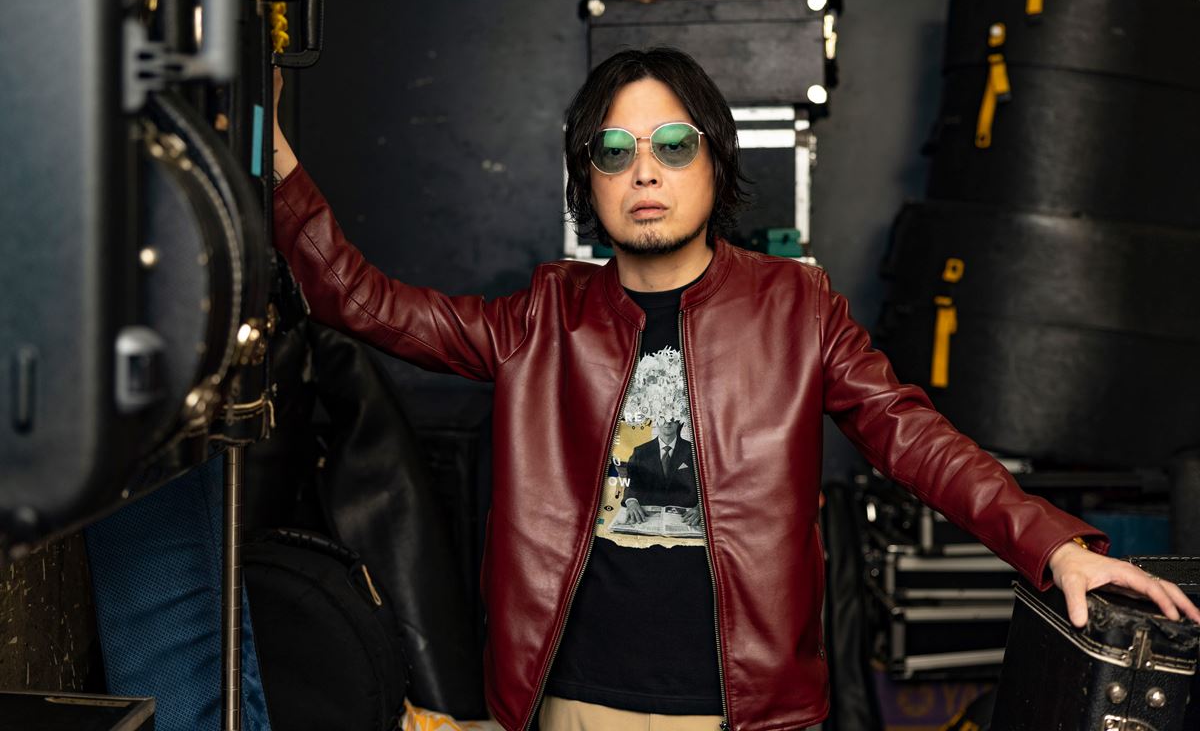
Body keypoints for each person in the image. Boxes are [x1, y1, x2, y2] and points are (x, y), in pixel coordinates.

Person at [271, 48, 1199, 731]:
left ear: (714, 161)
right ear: (587, 179)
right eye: (613, 150)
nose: (644, 170)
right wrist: (271, 154)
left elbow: (911, 435)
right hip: (574, 700)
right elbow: (354, 300)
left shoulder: (797, 306)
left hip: (746, 708)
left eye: (673, 144)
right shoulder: (541, 317)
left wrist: (1052, 545)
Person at [622, 419, 700, 528]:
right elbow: (630, 482)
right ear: (657, 421)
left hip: (687, 518)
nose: (668, 422)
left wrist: (701, 507)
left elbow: (710, 484)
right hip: (646, 518)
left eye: (673, 419)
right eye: (663, 417)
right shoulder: (640, 451)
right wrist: (631, 502)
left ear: (679, 422)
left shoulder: (696, 451)